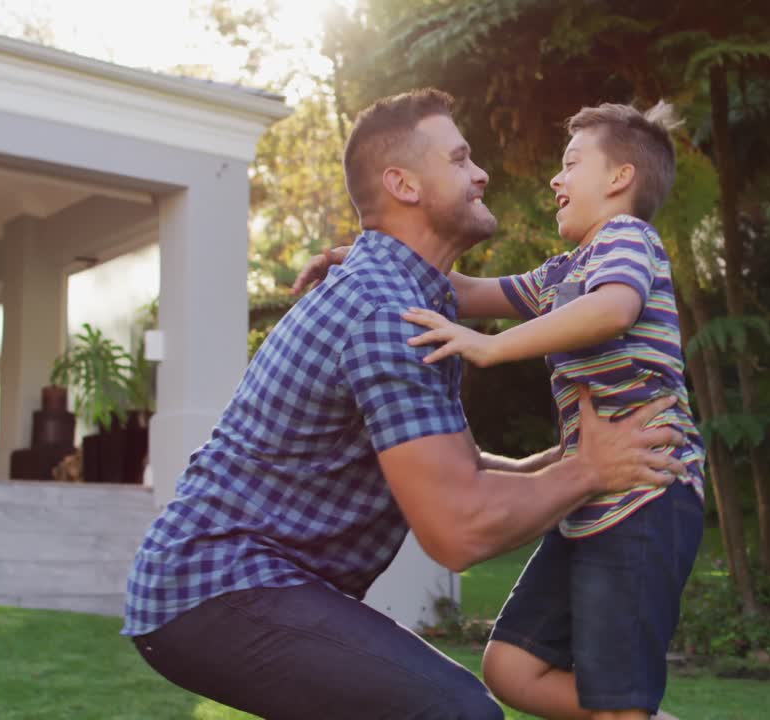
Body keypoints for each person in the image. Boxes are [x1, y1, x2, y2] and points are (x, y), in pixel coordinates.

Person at [121, 88, 685, 720]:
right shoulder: (384, 312)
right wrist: (589, 471)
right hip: (220, 584)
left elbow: (464, 469)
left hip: (233, 585)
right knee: (455, 712)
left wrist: (566, 461)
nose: (482, 174)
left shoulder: (408, 299)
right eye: (460, 159)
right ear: (405, 185)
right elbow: (458, 528)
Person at [298, 101, 705, 720]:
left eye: (571, 164)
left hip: (647, 495)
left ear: (620, 179)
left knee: (615, 699)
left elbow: (614, 310)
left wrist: (492, 348)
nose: (555, 179)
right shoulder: (566, 272)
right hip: (594, 501)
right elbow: (467, 292)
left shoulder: (628, 241)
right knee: (512, 668)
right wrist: (360, 256)